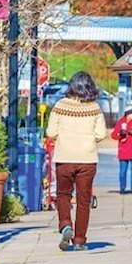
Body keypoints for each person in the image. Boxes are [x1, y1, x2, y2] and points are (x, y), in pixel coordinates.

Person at [45, 71, 107, 252]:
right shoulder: (94, 108)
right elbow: (101, 134)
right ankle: (79, 240)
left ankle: (65, 224)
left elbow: (50, 132)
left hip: (64, 158)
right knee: (83, 200)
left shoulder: (60, 105)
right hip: (87, 159)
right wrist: (87, 140)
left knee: (63, 195)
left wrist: (64, 137)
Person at [111, 105, 132, 194]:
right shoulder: (120, 122)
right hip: (123, 151)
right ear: (127, 114)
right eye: (131, 113)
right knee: (123, 171)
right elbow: (113, 135)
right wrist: (120, 134)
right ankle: (122, 188)